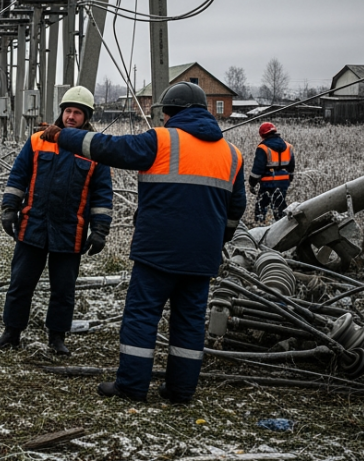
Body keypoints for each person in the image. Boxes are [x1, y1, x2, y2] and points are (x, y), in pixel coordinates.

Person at [39, 81, 245, 404]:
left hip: (157, 252)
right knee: (190, 324)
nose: (162, 120)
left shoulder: (162, 141)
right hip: (201, 258)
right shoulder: (232, 155)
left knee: (142, 317)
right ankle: (180, 392)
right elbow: (235, 212)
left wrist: (62, 136)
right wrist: (215, 239)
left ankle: (131, 388)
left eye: (164, 114)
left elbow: (109, 148)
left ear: (172, 113)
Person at [0, 85, 113, 356]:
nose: (71, 116)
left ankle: (57, 338)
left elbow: (103, 193)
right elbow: (18, 176)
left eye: (77, 113)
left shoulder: (94, 149)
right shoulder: (38, 140)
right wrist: (10, 208)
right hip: (33, 224)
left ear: (87, 116)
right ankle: (11, 333)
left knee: (63, 291)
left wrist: (100, 229)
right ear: (62, 112)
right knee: (20, 283)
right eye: (68, 111)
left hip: (70, 231)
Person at [250, 121, 295, 224]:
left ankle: (259, 228)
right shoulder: (288, 146)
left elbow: (257, 169)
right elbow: (291, 166)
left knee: (261, 208)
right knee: (280, 208)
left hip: (267, 182)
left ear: (262, 135)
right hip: (283, 182)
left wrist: (252, 184)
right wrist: (289, 178)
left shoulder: (263, 148)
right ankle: (283, 229)